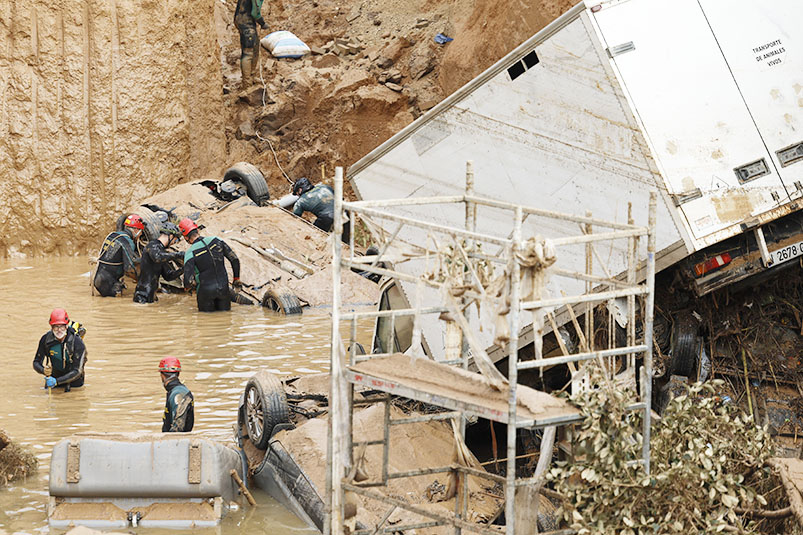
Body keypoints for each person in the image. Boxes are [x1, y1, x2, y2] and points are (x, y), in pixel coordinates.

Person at [180, 218, 242, 312]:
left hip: (205, 292)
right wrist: (236, 279)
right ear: (198, 230)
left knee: (205, 322)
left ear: (186, 238)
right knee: (225, 319)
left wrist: (188, 288)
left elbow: (187, 280)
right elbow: (234, 259)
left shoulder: (190, 252)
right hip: (223, 288)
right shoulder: (216, 240)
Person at [33, 309, 87, 391]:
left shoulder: (77, 342)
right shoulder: (46, 339)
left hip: (74, 381)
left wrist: (57, 382)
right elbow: (36, 362)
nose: (59, 330)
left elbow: (77, 371)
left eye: (61, 326)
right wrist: (43, 370)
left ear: (66, 326)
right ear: (51, 327)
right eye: (56, 327)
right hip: (55, 376)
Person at [133, 222, 184, 304]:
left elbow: (168, 276)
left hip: (151, 295)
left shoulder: (162, 253)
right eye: (176, 239)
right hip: (142, 295)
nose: (175, 242)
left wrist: (183, 269)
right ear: (170, 236)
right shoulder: (152, 245)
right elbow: (157, 257)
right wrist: (178, 255)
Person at [93, 214, 143, 297]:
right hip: (109, 284)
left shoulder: (113, 235)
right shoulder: (127, 241)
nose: (141, 234)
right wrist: (142, 281)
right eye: (141, 231)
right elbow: (129, 268)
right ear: (136, 229)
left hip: (98, 279)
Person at [291, 177, 351, 242]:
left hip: (328, 217)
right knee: (345, 243)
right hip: (345, 213)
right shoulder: (324, 187)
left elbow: (295, 218)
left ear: (300, 190)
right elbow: (340, 198)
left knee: (315, 235)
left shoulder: (301, 201)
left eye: (297, 194)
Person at [234, 0, 268, 89]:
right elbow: (255, 13)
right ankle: (247, 83)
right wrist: (262, 23)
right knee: (248, 52)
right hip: (246, 23)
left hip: (242, 20)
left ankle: (251, 76)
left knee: (255, 47)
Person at [159, 357, 194, 432]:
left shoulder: (178, 394)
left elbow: (178, 428)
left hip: (177, 442)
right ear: (178, 374)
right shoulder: (178, 391)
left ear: (162, 375)